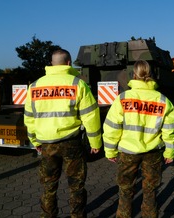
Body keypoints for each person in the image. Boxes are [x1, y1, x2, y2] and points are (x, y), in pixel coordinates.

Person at [24, 49, 102, 218]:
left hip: (46, 144)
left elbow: (29, 118)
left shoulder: (35, 87)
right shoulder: (77, 84)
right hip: (72, 143)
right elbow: (91, 116)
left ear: (51, 64)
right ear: (68, 63)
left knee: (49, 186)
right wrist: (95, 143)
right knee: (76, 186)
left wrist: (35, 141)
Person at [103, 60, 174, 218]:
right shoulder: (163, 100)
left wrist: (110, 150)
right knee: (150, 191)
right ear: (150, 75)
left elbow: (111, 127)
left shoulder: (123, 98)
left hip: (127, 153)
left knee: (125, 190)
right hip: (153, 153)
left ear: (134, 75)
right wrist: (169, 153)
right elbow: (169, 130)